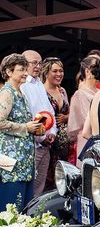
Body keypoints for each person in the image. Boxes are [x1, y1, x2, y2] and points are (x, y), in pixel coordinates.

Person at [0, 54, 43, 208]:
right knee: (10, 208)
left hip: (24, 162)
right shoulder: (7, 93)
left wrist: (34, 128)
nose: (26, 73)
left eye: (26, 69)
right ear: (9, 72)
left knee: (23, 208)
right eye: (21, 70)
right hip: (11, 163)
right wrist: (26, 128)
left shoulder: (20, 93)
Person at [20, 50, 56, 196]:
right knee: (28, 189)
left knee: (39, 189)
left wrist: (52, 133)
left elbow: (49, 112)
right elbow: (29, 115)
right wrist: (42, 137)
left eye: (40, 63)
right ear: (24, 64)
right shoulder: (22, 86)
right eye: (34, 62)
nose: (38, 66)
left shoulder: (39, 84)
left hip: (45, 144)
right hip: (32, 144)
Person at [41, 58, 70, 191]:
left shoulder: (62, 91)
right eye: (55, 71)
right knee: (47, 178)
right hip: (48, 140)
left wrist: (66, 118)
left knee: (62, 177)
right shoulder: (40, 91)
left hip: (63, 142)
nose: (59, 74)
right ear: (46, 72)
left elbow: (71, 113)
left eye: (61, 71)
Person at [68, 55, 99, 166]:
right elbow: (84, 120)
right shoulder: (79, 94)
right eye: (96, 67)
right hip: (86, 139)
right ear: (87, 71)